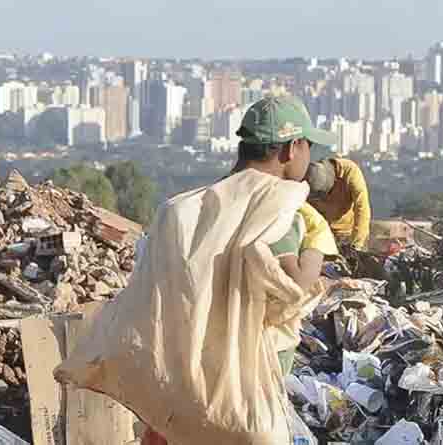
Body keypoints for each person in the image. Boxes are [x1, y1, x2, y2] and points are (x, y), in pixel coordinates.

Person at [141, 95, 338, 445]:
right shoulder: (274, 208)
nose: (310, 157)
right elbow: (292, 287)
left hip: (179, 386)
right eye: (308, 146)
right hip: (240, 396)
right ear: (292, 148)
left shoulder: (189, 207)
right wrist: (316, 244)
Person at [305, 157, 371, 250]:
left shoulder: (350, 171)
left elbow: (362, 207)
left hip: (349, 234)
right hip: (324, 234)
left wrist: (357, 244)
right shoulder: (309, 177)